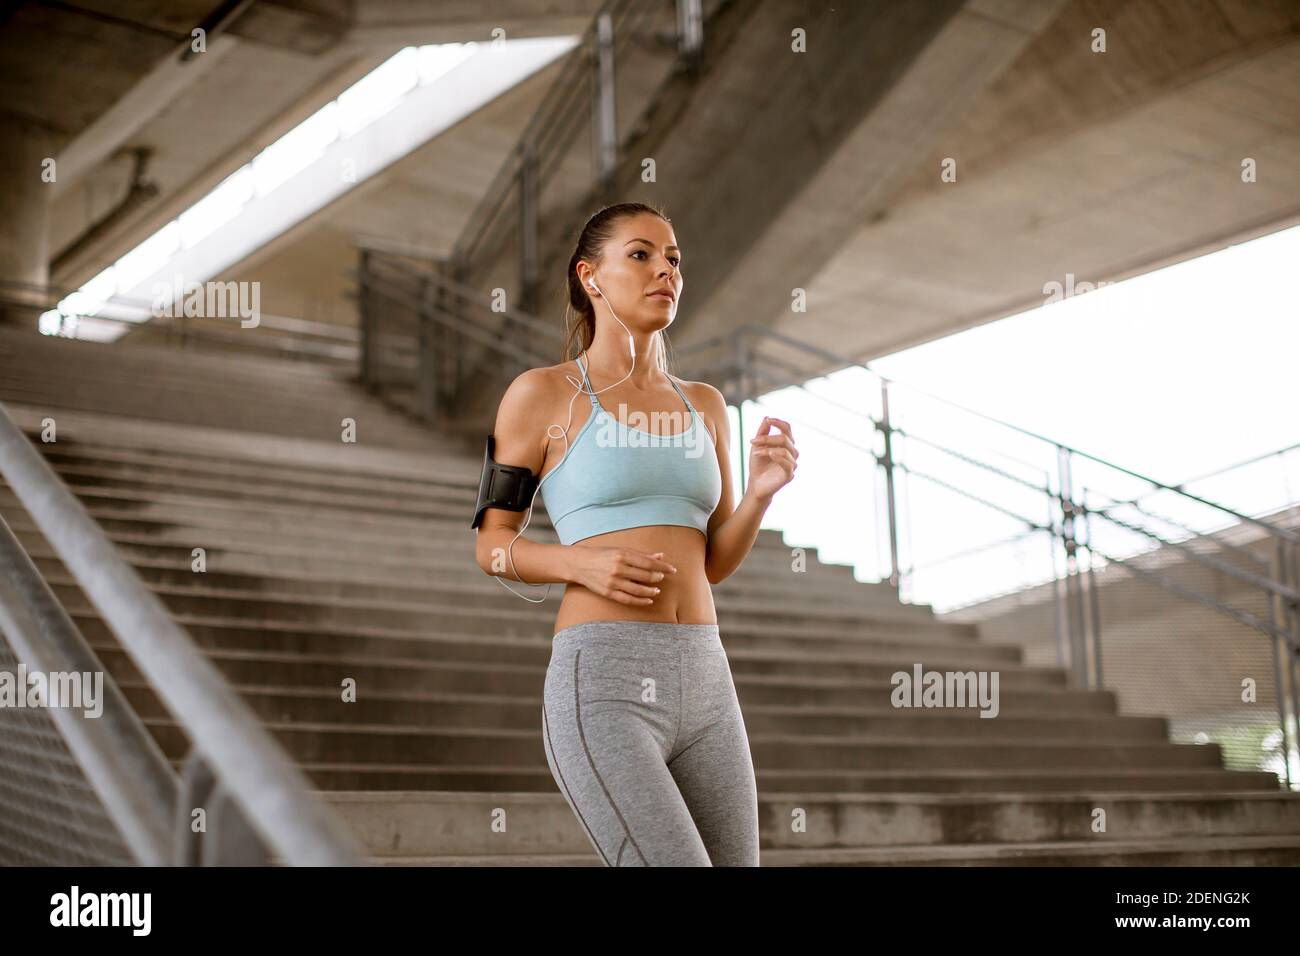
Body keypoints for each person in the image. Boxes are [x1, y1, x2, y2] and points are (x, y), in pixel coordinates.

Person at [473, 202, 798, 866]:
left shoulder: (704, 404)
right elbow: (492, 545)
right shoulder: (541, 395)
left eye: (673, 258)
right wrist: (578, 566)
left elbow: (712, 563)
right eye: (641, 255)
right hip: (605, 680)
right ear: (591, 277)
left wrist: (761, 494)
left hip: (707, 679)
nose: (665, 272)